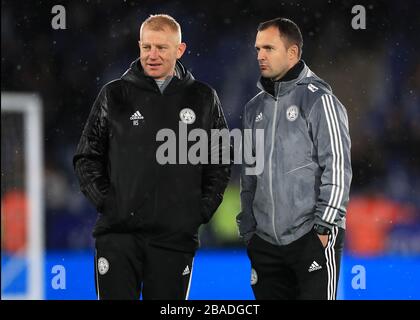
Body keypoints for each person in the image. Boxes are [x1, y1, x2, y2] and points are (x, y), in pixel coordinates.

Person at [73, 14, 231, 300]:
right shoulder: (114, 95)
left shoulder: (203, 98)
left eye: (161, 48)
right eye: (146, 47)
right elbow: (86, 157)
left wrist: (198, 212)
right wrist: (110, 204)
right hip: (118, 237)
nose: (152, 55)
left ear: (179, 50)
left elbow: (219, 161)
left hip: (174, 240)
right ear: (139, 47)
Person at [237, 17, 352, 300]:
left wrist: (324, 227)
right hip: (265, 245)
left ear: (293, 53)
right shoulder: (254, 108)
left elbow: (336, 166)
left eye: (268, 48)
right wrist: (249, 230)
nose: (260, 55)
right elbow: (250, 174)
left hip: (310, 238)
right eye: (257, 49)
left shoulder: (319, 99)